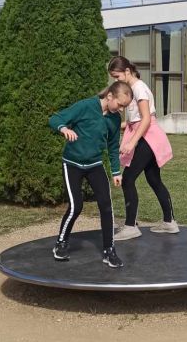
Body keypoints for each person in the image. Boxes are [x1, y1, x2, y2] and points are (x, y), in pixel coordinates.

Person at [48, 80, 133, 268]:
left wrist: (116, 172)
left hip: (95, 165)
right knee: (76, 206)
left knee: (106, 206)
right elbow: (55, 119)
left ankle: (109, 251)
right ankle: (61, 243)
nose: (121, 109)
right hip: (72, 164)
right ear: (109, 96)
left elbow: (112, 147)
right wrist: (64, 128)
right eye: (120, 104)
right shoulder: (85, 106)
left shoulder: (114, 119)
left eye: (124, 107)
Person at [107, 55, 178, 239]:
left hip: (148, 137)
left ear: (127, 71)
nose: (115, 81)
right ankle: (169, 222)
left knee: (128, 179)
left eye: (117, 76)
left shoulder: (139, 88)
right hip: (146, 136)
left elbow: (146, 119)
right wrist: (113, 125)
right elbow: (135, 121)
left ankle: (131, 226)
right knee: (154, 179)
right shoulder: (132, 89)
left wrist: (132, 142)